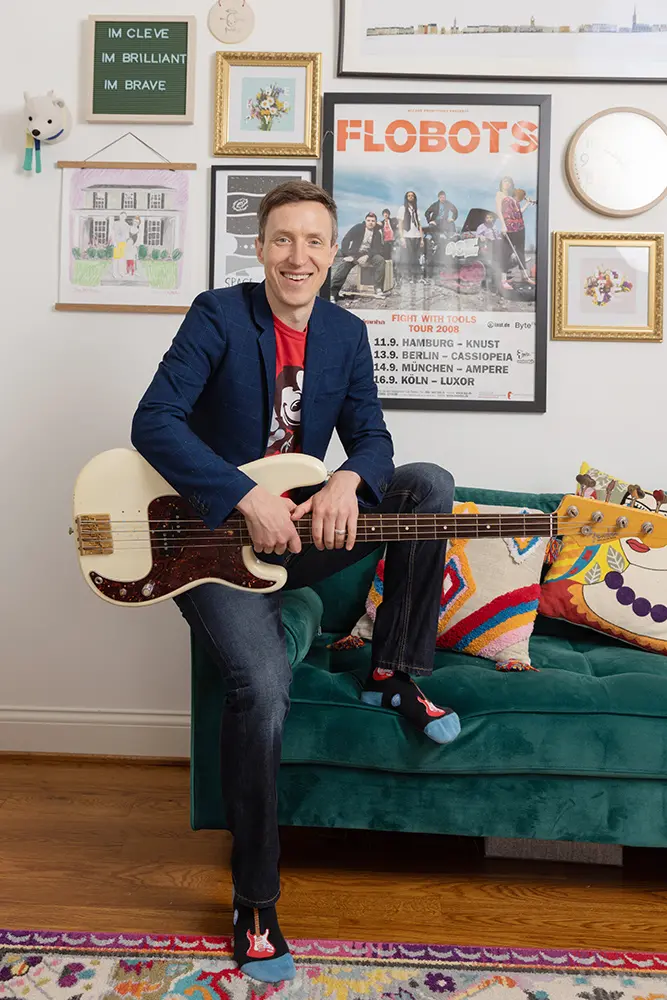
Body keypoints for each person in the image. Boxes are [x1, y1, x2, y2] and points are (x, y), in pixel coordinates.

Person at [131, 181, 459, 986]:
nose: (299, 257)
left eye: (314, 241)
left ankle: (393, 670)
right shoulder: (217, 314)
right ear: (261, 247)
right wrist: (243, 495)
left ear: (334, 248)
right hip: (213, 545)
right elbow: (154, 421)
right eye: (283, 240)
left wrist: (351, 478)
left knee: (426, 483)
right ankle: (254, 902)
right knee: (264, 690)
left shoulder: (346, 333)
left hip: (301, 539)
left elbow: (374, 434)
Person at [330, 211, 386, 301]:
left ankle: (378, 288)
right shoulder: (358, 228)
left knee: (380, 260)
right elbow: (346, 239)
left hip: (369, 255)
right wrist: (347, 255)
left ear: (375, 222)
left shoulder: (377, 233)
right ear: (365, 221)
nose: (370, 222)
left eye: (373, 221)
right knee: (345, 265)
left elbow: (377, 248)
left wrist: (367, 256)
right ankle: (333, 292)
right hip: (355, 254)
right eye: (369, 220)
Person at [495, 177, 534, 291]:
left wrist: (527, 203)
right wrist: (503, 225)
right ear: (501, 184)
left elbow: (518, 212)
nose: (506, 184)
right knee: (506, 252)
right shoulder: (500, 195)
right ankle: (503, 280)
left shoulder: (513, 198)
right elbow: (499, 211)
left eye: (508, 182)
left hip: (520, 227)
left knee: (520, 252)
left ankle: (524, 277)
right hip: (509, 227)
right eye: (504, 182)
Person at [397, 191, 424, 283]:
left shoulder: (416, 210)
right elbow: (400, 224)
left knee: (415, 257)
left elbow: (419, 225)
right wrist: (401, 238)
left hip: (416, 235)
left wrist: (421, 238)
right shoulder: (402, 208)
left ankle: (415, 277)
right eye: (409, 195)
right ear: (406, 197)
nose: (410, 197)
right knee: (407, 257)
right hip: (407, 235)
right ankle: (406, 277)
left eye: (412, 196)